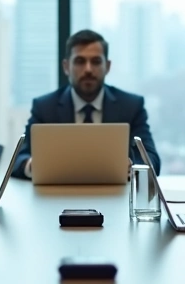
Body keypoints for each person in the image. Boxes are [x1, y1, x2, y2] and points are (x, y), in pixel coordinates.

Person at [13, 29, 160, 179]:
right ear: (66, 67)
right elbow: (17, 160)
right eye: (80, 61)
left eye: (96, 62)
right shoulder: (45, 107)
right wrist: (33, 166)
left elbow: (152, 160)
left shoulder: (131, 106)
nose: (88, 69)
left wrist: (131, 167)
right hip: (58, 197)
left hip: (115, 198)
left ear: (107, 66)